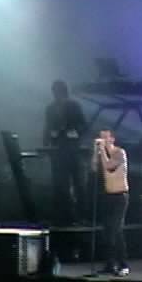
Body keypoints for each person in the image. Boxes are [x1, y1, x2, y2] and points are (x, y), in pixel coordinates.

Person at [43, 80, 87, 225]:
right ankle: (64, 216)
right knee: (60, 185)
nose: (56, 95)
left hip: (73, 150)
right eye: (54, 92)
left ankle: (81, 216)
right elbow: (47, 127)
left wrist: (74, 133)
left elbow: (83, 126)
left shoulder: (74, 106)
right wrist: (46, 143)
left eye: (58, 92)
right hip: (58, 151)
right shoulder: (50, 108)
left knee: (79, 185)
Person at [91, 129, 130, 276]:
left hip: (120, 197)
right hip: (108, 196)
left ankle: (123, 264)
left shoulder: (120, 153)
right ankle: (110, 264)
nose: (102, 140)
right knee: (107, 231)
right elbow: (93, 168)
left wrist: (102, 150)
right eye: (101, 137)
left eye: (105, 137)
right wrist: (95, 152)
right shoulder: (103, 155)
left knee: (116, 229)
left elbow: (109, 167)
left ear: (112, 139)